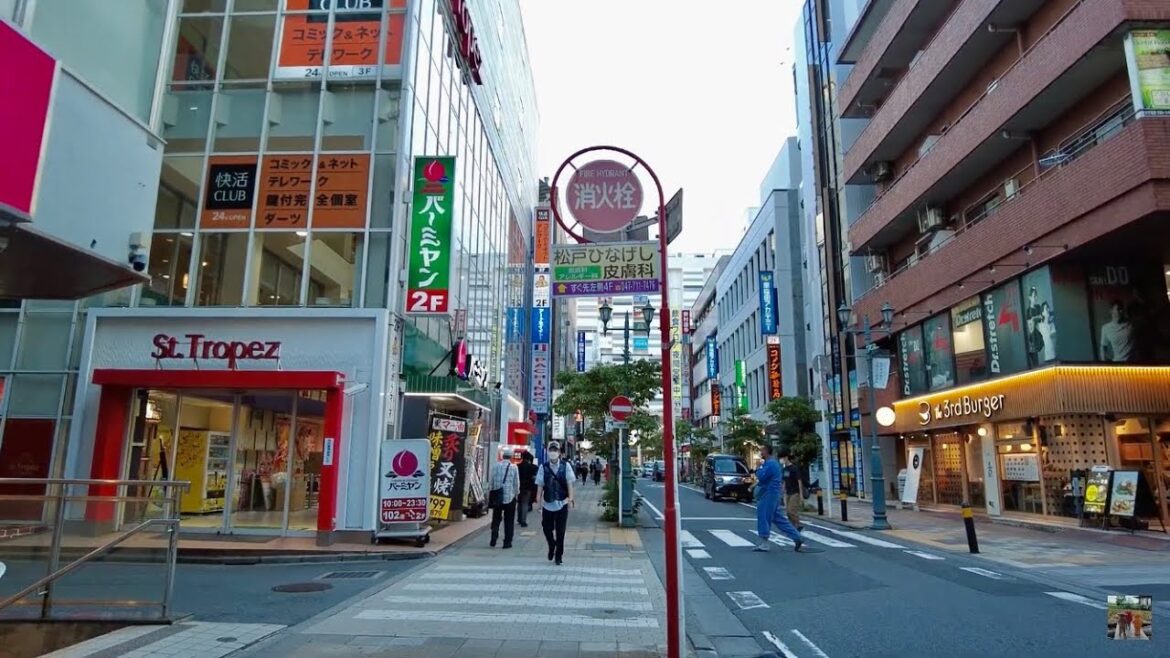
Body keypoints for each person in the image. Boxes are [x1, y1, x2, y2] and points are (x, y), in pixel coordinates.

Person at [753, 443, 803, 552]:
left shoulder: (770, 464)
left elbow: (762, 477)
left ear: (766, 451)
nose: (760, 453)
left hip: (768, 493)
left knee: (764, 517)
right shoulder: (771, 463)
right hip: (773, 493)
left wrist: (757, 469)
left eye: (762, 450)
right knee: (778, 519)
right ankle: (797, 537)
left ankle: (765, 543)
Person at [535, 441, 575, 565]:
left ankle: (559, 555)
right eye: (551, 450)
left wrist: (570, 499)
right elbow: (540, 485)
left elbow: (569, 483)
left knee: (560, 531)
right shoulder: (543, 467)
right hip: (548, 503)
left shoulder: (565, 465)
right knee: (546, 528)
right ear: (547, 451)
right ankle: (552, 545)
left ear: (559, 452)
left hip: (562, 502)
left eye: (555, 450)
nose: (553, 452)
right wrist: (538, 500)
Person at [487, 454, 519, 549]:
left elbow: (491, 481)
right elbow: (516, 483)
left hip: (497, 498)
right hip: (510, 498)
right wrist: (516, 494)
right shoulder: (514, 467)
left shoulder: (495, 466)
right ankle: (507, 542)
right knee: (509, 520)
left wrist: (491, 492)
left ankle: (494, 536)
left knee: (496, 518)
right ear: (511, 457)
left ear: (502, 456)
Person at [778, 447, 804, 531]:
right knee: (788, 512)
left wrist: (801, 495)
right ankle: (793, 528)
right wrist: (782, 492)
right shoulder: (785, 469)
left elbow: (799, 481)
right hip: (787, 493)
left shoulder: (794, 468)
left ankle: (798, 524)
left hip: (794, 492)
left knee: (791, 511)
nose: (781, 460)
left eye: (782, 458)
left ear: (786, 458)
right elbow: (785, 481)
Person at [516, 451, 537, 528]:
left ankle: (519, 519)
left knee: (520, 503)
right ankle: (523, 521)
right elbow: (534, 478)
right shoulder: (533, 467)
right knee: (525, 503)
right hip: (528, 488)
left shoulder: (517, 466)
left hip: (519, 487)